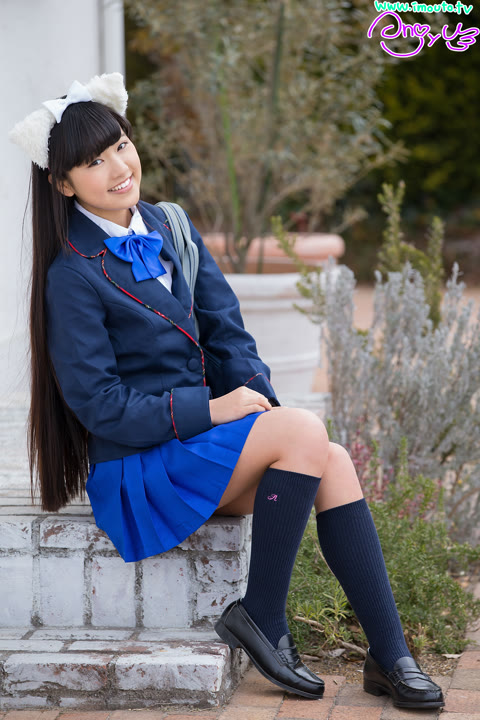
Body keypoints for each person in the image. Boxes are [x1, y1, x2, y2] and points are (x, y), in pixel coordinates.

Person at [10, 72, 444, 710]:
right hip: (138, 469)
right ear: (63, 183)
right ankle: (263, 616)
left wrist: (260, 410)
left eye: (121, 146)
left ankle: (390, 654)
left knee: (327, 457)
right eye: (94, 162)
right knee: (307, 434)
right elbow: (100, 405)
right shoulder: (72, 275)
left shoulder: (171, 225)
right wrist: (214, 410)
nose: (119, 167)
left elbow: (228, 336)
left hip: (195, 451)